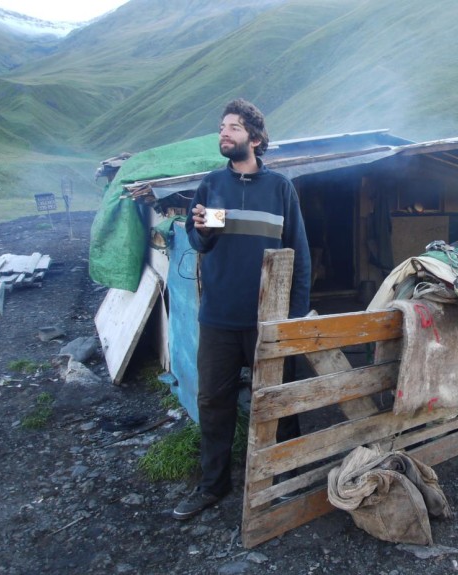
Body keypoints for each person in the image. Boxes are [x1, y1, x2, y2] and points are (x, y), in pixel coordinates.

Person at [173, 98, 311, 521]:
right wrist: (199, 231)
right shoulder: (213, 186)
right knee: (214, 401)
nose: (224, 133)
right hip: (218, 317)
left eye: (233, 127)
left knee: (277, 400)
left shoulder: (280, 189)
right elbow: (202, 245)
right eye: (221, 127)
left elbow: (299, 253)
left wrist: (295, 315)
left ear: (254, 137)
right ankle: (213, 485)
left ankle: (284, 476)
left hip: (267, 318)